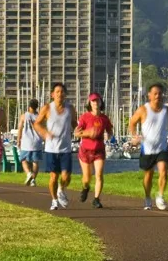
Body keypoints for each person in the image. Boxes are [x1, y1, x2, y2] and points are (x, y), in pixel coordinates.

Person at [128, 83, 168, 211]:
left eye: (160, 93)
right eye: (155, 93)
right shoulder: (143, 110)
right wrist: (134, 136)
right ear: (149, 95)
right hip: (147, 149)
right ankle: (148, 197)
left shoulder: (167, 110)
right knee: (148, 176)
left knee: (164, 171)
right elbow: (132, 123)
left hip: (162, 148)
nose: (158, 96)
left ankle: (160, 196)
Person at [33, 82, 75, 211]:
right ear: (52, 94)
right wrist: (45, 133)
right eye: (57, 92)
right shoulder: (47, 108)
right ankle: (54, 200)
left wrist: (80, 131)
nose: (60, 94)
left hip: (66, 148)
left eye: (62, 92)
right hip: (51, 148)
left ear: (65, 95)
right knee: (53, 176)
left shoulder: (70, 109)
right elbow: (37, 124)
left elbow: (75, 123)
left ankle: (61, 190)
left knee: (66, 176)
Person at [75, 92, 113, 208]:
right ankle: (86, 188)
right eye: (93, 101)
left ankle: (96, 199)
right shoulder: (85, 117)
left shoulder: (104, 118)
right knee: (87, 177)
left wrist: (109, 136)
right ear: (90, 103)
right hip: (85, 151)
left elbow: (110, 131)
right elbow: (76, 133)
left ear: (101, 102)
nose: (95, 103)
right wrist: (88, 133)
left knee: (99, 174)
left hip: (99, 151)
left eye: (97, 101)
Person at [17, 99, 44, 187]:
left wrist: (18, 140)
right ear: (37, 106)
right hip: (37, 142)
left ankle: (28, 173)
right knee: (35, 162)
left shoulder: (24, 116)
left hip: (26, 142)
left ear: (29, 106)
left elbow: (20, 129)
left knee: (23, 160)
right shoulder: (39, 116)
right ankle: (33, 180)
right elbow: (43, 129)